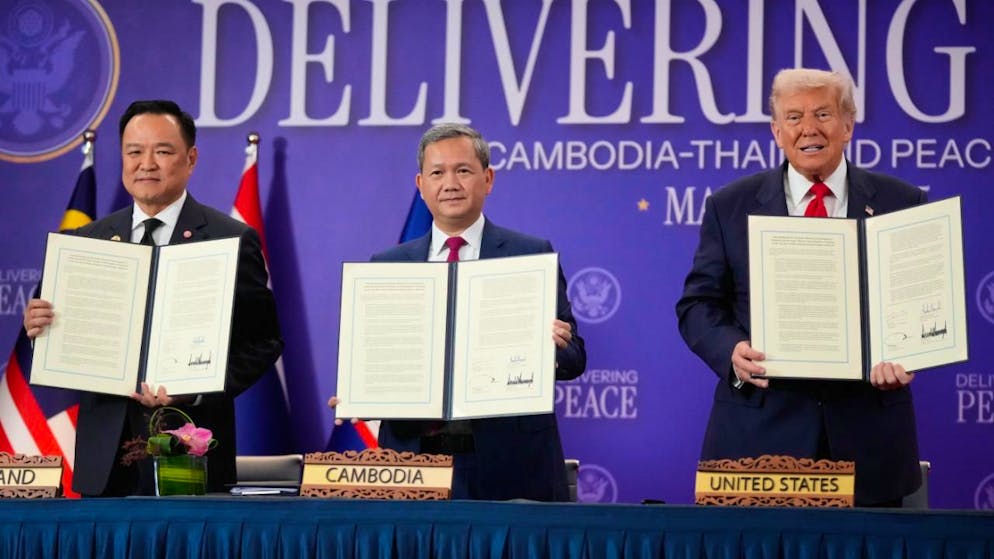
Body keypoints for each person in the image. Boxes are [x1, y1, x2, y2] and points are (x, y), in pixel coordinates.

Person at [675, 68, 925, 507]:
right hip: (758, 436)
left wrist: (912, 351)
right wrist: (731, 351)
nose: (808, 128)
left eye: (823, 113)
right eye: (793, 117)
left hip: (868, 438)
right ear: (776, 131)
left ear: (848, 124)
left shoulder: (901, 202)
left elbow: (919, 302)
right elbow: (698, 305)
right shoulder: (730, 206)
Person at [23, 100, 283, 496]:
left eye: (162, 151)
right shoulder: (86, 241)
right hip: (104, 455)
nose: (147, 164)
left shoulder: (230, 239)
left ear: (191, 158)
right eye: (134, 152)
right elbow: (55, 325)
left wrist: (195, 388)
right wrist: (39, 322)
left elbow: (264, 342)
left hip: (190, 451)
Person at [329, 123, 586, 501]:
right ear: (421, 184)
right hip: (413, 463)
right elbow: (378, 358)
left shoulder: (530, 255)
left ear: (488, 178)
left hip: (510, 464)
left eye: (463, 170)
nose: (450, 183)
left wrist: (553, 348)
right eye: (437, 172)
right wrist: (358, 391)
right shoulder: (388, 265)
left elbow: (575, 357)